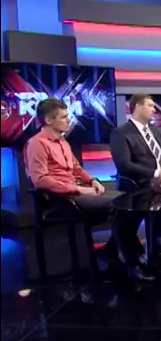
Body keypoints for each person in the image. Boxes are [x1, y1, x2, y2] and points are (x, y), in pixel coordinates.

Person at [24, 98, 153, 281]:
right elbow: (41, 180)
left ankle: (111, 250)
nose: (69, 120)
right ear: (48, 120)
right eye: (64, 117)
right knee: (119, 204)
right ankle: (133, 261)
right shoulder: (37, 144)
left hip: (76, 193)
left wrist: (92, 181)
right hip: (60, 200)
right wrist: (77, 189)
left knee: (132, 200)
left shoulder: (62, 141)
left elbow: (76, 168)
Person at [109, 93, 161, 187]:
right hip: (143, 184)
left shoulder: (158, 131)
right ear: (138, 106)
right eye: (150, 106)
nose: (154, 110)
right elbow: (124, 165)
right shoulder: (120, 133)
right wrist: (156, 173)